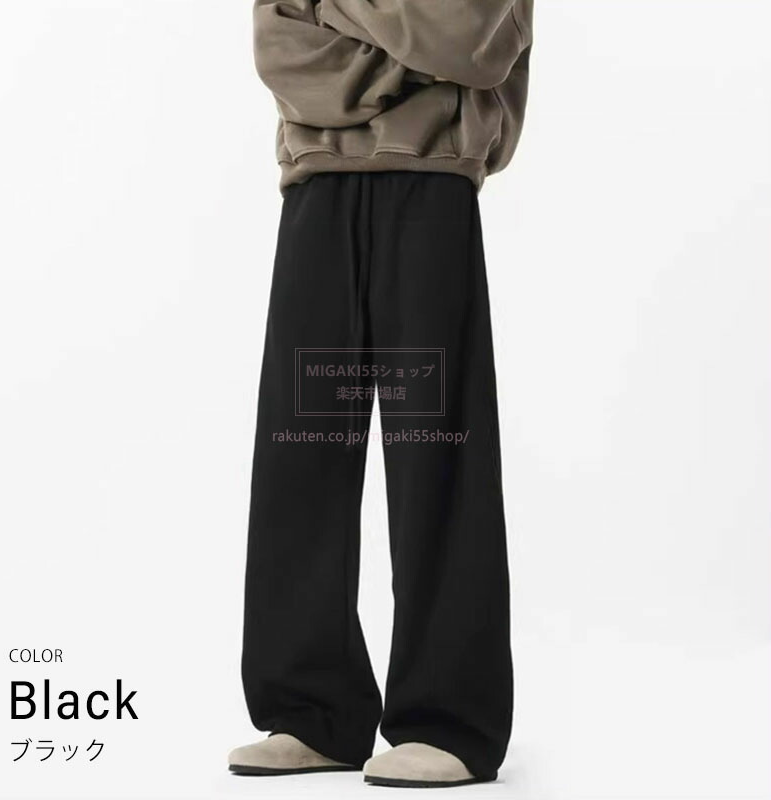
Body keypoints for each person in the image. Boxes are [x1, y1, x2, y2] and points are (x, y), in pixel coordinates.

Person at [228, 0, 533, 788]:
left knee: (438, 456)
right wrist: (415, 57)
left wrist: (334, 11)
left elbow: (470, 41)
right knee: (301, 458)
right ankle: (314, 713)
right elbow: (280, 50)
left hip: (431, 191)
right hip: (317, 194)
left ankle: (449, 721)